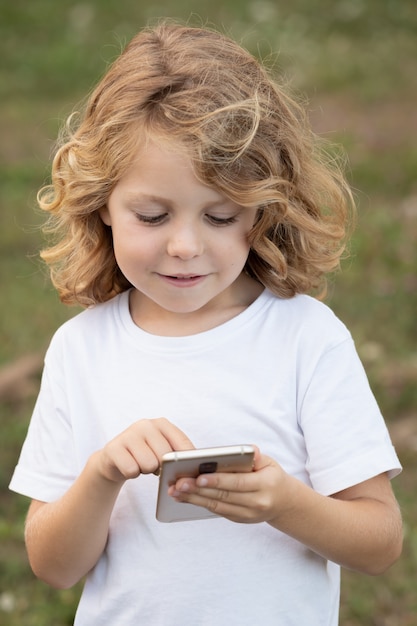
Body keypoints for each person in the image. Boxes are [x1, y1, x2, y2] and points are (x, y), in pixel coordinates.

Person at [9, 19, 402, 626]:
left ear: (265, 208)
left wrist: (285, 503)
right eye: (152, 214)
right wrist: (102, 474)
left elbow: (379, 541)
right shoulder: (81, 350)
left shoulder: (305, 338)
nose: (186, 245)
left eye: (221, 217)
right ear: (103, 204)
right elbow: (54, 566)